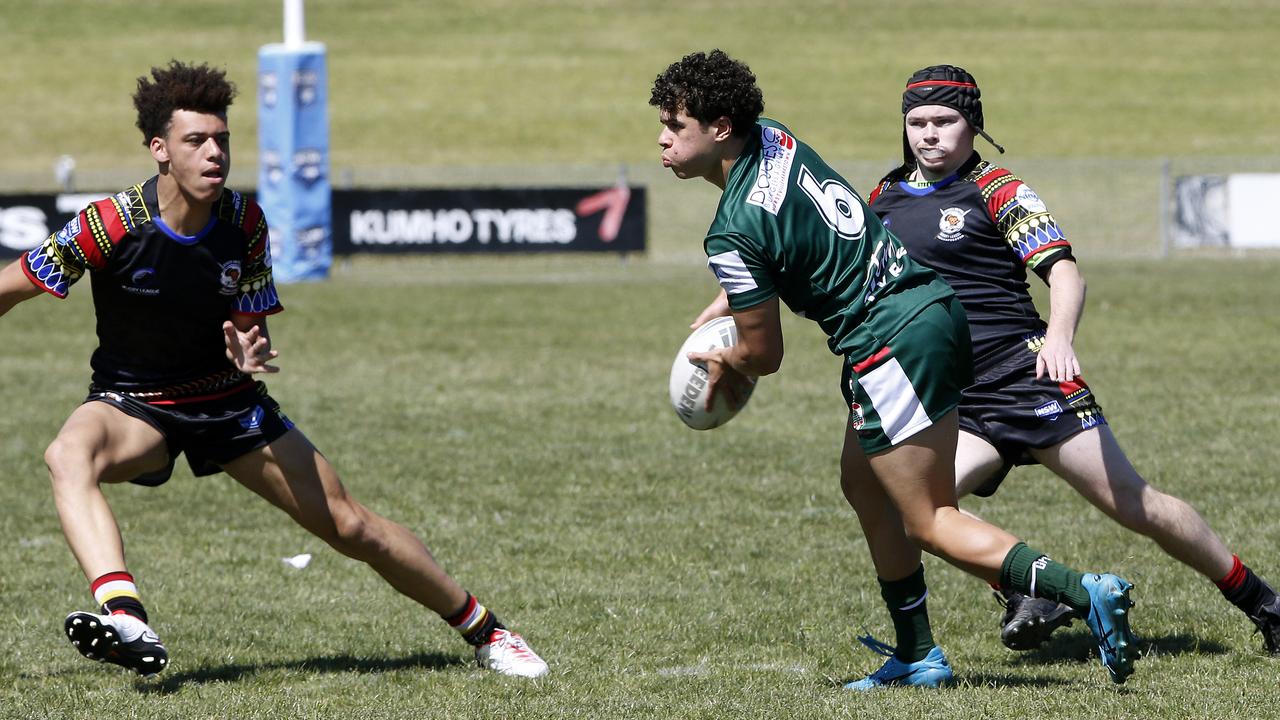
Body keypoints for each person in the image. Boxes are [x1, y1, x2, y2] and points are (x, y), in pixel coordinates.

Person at [0, 60, 548, 679]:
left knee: (351, 525)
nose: (215, 154)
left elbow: (250, 326)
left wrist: (248, 347)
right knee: (68, 454)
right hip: (134, 403)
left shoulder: (245, 225)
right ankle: (124, 614)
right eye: (196, 141)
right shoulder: (108, 224)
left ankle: (488, 631)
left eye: (222, 140)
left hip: (227, 402)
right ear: (159, 150)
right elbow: (11, 286)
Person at [653, 49, 1139, 689]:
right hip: (926, 307)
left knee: (929, 519)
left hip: (888, 342)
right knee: (864, 482)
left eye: (675, 124)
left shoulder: (732, 229)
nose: (662, 138)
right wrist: (738, 292)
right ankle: (918, 654)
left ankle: (1082, 591)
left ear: (719, 129)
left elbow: (764, 355)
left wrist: (725, 357)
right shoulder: (776, 138)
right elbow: (794, 233)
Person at [865, 64, 1280, 655]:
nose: (929, 134)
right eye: (917, 122)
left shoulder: (998, 188)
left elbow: (1064, 272)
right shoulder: (884, 196)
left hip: (1029, 377)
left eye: (945, 120)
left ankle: (1262, 602)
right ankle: (1031, 591)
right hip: (961, 395)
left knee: (1135, 504)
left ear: (974, 124)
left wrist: (1059, 337)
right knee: (923, 513)